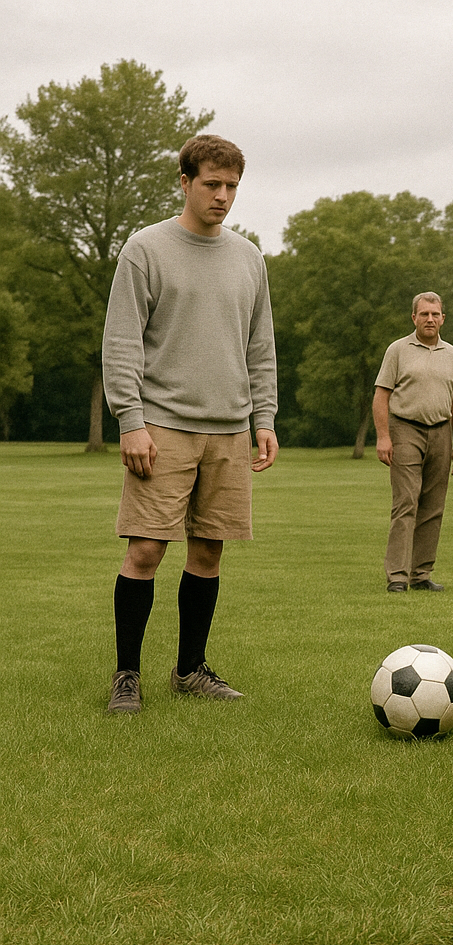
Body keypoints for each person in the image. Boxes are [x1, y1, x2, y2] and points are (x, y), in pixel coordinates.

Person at [101, 133, 278, 715]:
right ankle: (127, 676)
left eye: (232, 186)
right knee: (146, 551)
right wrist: (131, 421)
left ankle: (190, 669)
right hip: (162, 427)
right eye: (212, 184)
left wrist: (264, 418)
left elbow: (260, 347)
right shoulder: (145, 250)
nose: (222, 196)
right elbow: (122, 342)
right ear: (185, 182)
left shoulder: (249, 258)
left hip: (229, 430)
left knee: (208, 553)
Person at [373, 293, 453, 592]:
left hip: (441, 431)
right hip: (405, 429)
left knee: (433, 506)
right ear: (414, 317)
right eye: (424, 314)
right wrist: (383, 436)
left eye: (435, 314)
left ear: (443, 319)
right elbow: (381, 395)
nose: (430, 319)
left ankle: (421, 574)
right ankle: (397, 576)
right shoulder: (398, 350)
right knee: (406, 502)